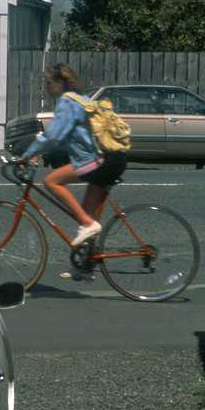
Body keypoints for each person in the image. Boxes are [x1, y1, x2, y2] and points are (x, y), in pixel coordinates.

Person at [16, 63, 128, 270]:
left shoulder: (67, 102)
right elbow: (67, 137)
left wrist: (27, 155)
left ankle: (88, 225)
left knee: (51, 181)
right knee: (85, 215)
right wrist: (41, 153)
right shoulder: (81, 99)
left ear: (61, 82)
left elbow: (53, 135)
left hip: (98, 161)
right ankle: (87, 265)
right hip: (113, 158)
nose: (46, 87)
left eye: (49, 82)